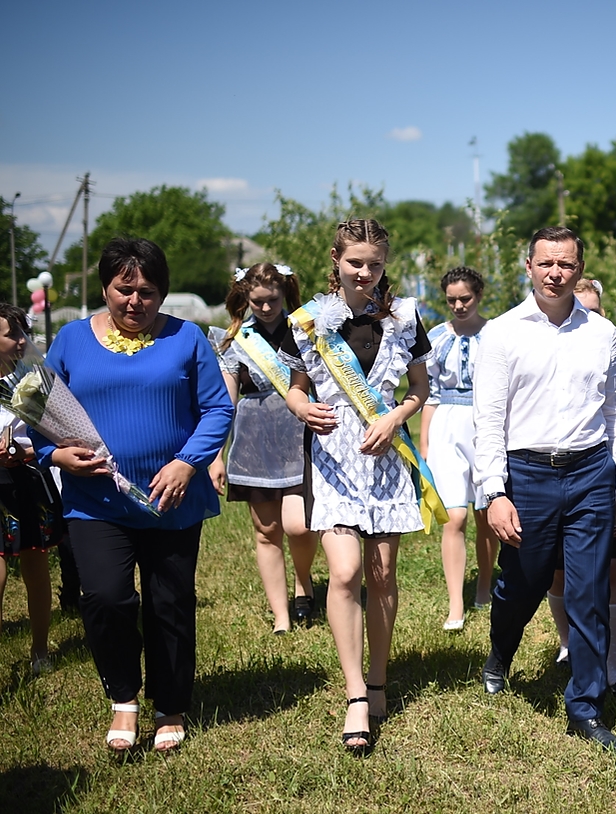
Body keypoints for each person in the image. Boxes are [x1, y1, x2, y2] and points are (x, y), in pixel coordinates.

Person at [31, 237, 234, 753]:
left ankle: (170, 705)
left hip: (171, 502)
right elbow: (39, 414)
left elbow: (217, 409)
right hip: (95, 502)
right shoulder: (71, 340)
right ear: (105, 288)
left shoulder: (187, 338)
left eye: (148, 291)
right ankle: (124, 697)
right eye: (125, 290)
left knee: (170, 603)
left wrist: (187, 462)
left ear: (162, 292)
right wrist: (55, 455)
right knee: (105, 597)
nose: (135, 301)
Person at [474, 226, 616, 752]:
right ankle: (501, 652)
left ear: (579, 269)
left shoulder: (602, 334)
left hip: (591, 474)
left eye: (565, 264)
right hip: (527, 476)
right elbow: (488, 420)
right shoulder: (502, 333)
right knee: (522, 584)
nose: (555, 273)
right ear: (529, 266)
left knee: (589, 592)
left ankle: (585, 706)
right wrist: (495, 492)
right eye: (546, 263)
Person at [281, 218, 433, 754]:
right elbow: (296, 388)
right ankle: (355, 696)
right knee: (345, 572)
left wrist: (395, 418)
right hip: (334, 457)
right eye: (355, 263)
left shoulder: (404, 317)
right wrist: (303, 408)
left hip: (385, 452)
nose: (365, 272)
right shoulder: (308, 322)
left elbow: (419, 388)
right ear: (336, 260)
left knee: (382, 574)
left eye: (375, 263)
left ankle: (379, 679)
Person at [546, 278, 616, 696]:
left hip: (608, 479)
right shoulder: (547, 349)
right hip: (556, 480)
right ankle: (567, 644)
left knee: (613, 569)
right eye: (581, 308)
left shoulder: (611, 352)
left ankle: (615, 664)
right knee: (558, 572)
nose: (587, 316)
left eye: (594, 310)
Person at [208, 263, 318, 635]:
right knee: (266, 530)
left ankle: (303, 581)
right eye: (257, 302)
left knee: (299, 526)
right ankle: (281, 615)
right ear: (245, 298)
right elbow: (225, 402)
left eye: (272, 300)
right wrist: (216, 455)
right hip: (253, 441)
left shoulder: (304, 331)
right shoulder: (235, 339)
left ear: (285, 293)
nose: (266, 308)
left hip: (300, 436)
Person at [419, 266, 498, 632]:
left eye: (465, 298)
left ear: (478, 295)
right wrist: (425, 442)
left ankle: (484, 585)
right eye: (451, 300)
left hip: (485, 423)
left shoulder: (496, 334)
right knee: (454, 516)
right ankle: (455, 603)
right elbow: (430, 393)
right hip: (447, 424)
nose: (459, 306)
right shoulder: (436, 337)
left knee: (486, 513)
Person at [0, 303, 64, 675]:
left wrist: (23, 450)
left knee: (36, 566)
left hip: (28, 478)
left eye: (23, 332)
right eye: (12, 334)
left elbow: (56, 431)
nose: (22, 341)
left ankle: (40, 650)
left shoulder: (35, 379)